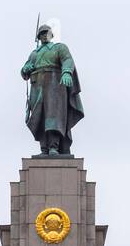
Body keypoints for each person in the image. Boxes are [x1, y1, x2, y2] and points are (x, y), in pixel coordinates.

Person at [20, 23, 84, 155]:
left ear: (51, 35)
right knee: (40, 117)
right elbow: (25, 70)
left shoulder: (59, 48)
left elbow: (67, 60)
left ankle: (53, 147)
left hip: (55, 85)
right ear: (38, 37)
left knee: (53, 117)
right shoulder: (34, 53)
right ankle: (44, 149)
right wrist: (25, 70)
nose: (44, 36)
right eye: (42, 34)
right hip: (37, 86)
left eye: (46, 33)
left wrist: (66, 72)